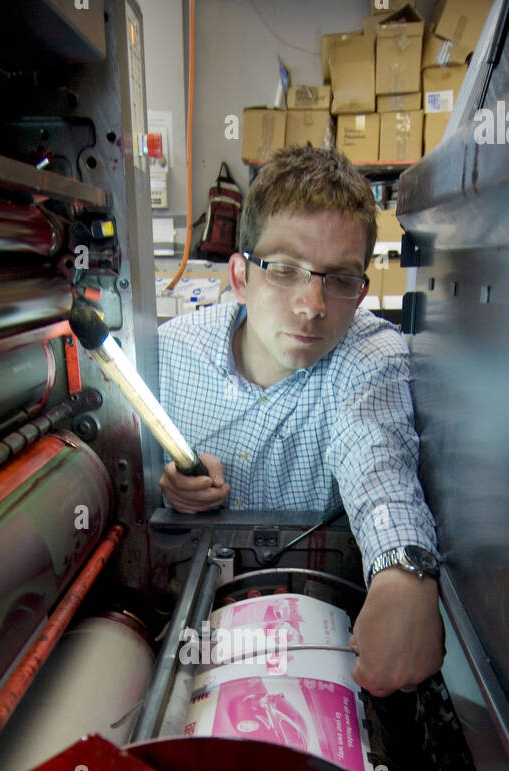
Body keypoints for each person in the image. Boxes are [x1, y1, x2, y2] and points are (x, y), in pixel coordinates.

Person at [157, 144, 444, 698]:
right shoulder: (170, 357)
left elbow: (378, 459)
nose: (313, 304)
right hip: (183, 630)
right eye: (286, 270)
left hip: (320, 635)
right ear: (240, 277)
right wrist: (171, 485)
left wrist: (402, 574)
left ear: (362, 289)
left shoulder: (369, 356)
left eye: (338, 279)